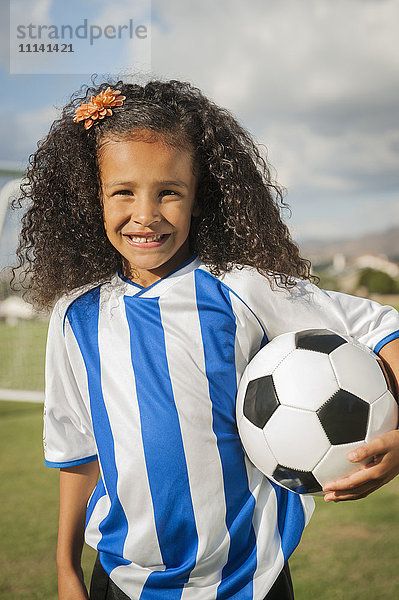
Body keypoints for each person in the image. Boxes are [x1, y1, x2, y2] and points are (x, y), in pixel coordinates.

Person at [11, 78, 399, 600]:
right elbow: (77, 451)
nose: (145, 214)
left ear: (199, 199)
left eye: (169, 192)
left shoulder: (242, 286)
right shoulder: (75, 315)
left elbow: (381, 327)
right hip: (123, 581)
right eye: (123, 191)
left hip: (248, 580)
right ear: (92, 199)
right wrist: (65, 567)